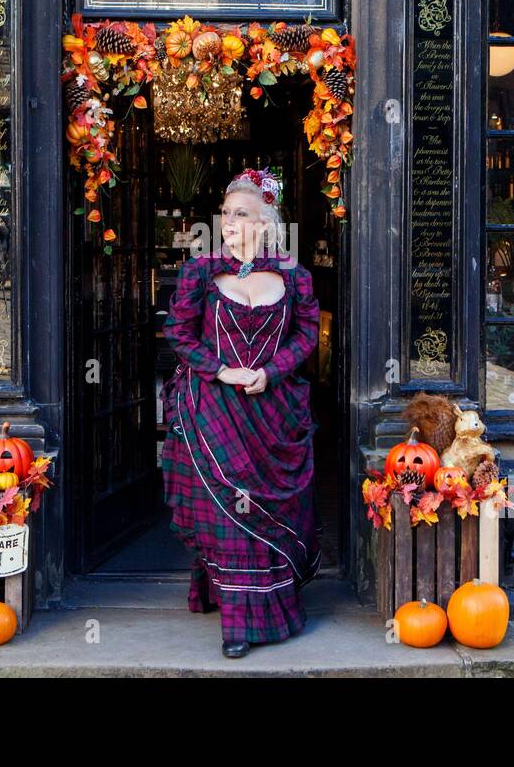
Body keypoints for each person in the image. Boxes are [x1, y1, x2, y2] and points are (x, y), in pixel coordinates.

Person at [159, 168, 322, 658]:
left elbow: (306, 336)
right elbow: (179, 334)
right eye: (226, 213)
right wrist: (221, 371)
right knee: (228, 514)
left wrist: (271, 371)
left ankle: (274, 607)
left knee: (266, 513)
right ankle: (237, 625)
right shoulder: (201, 271)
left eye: (241, 214)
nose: (229, 222)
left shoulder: (295, 275)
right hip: (214, 406)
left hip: (273, 411)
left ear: (267, 220)